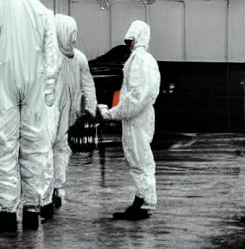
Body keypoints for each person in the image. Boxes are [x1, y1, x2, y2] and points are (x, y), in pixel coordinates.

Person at [0, 0, 61, 234]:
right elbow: (53, 55)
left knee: (4, 147)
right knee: (36, 146)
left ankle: (6, 211)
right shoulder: (41, 10)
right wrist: (49, 89)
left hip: (4, 83)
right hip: (36, 85)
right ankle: (31, 209)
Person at [99, 20, 161, 220]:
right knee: (140, 159)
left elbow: (135, 97)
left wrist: (113, 113)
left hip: (136, 118)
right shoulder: (147, 60)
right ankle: (141, 200)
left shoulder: (139, 60)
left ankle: (145, 203)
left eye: (131, 40)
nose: (129, 44)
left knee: (140, 160)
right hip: (140, 116)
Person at [41, 14, 97, 220]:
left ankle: (56, 187)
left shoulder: (79, 58)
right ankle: (43, 193)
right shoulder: (47, 56)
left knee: (62, 150)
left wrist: (90, 109)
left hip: (69, 115)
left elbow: (88, 84)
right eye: (71, 33)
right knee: (44, 151)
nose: (74, 38)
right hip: (48, 113)